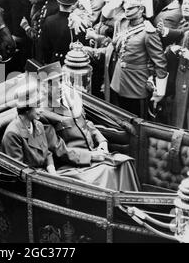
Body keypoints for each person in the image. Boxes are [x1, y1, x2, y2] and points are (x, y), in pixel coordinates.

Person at [38, 62, 140, 191]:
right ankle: (118, 209)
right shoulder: (44, 114)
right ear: (43, 88)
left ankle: (132, 206)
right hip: (75, 165)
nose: (59, 86)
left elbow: (87, 124)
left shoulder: (69, 100)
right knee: (109, 172)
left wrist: (102, 140)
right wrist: (93, 156)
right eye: (53, 83)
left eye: (60, 80)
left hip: (95, 153)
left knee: (126, 163)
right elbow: (60, 151)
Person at [110, 0, 168, 118]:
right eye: (125, 7)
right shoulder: (122, 23)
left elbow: (160, 61)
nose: (126, 10)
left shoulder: (148, 32)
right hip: (118, 80)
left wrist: (160, 91)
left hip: (136, 85)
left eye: (131, 8)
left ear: (141, 9)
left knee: (136, 123)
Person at [1, 82, 59, 175]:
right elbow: (17, 170)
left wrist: (52, 170)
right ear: (27, 109)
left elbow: (46, 153)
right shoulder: (13, 134)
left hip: (47, 173)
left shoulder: (38, 125)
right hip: (32, 180)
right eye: (38, 106)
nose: (42, 110)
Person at [36, 0, 78, 65]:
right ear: (74, 3)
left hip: (54, 64)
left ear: (58, 1)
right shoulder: (79, 22)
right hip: (74, 64)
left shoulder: (49, 21)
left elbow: (45, 48)